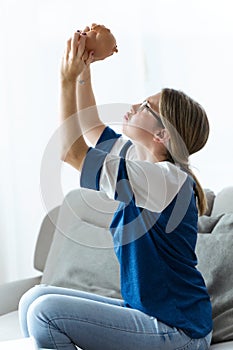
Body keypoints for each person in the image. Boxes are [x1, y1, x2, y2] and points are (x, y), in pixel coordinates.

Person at [19, 30, 213, 350]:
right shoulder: (138, 160)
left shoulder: (166, 179)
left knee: (45, 313)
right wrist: (84, 69)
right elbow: (92, 127)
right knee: (33, 298)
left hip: (179, 331)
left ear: (162, 134)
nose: (135, 104)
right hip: (149, 314)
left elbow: (71, 151)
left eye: (146, 106)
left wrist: (66, 80)